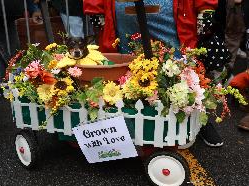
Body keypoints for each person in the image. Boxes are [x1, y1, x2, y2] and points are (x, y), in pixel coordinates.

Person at [84, 0, 224, 147]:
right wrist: (95, 7)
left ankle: (195, 116)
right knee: (128, 65)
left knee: (178, 63)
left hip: (168, 9)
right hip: (124, 9)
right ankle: (126, 120)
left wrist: (206, 7)